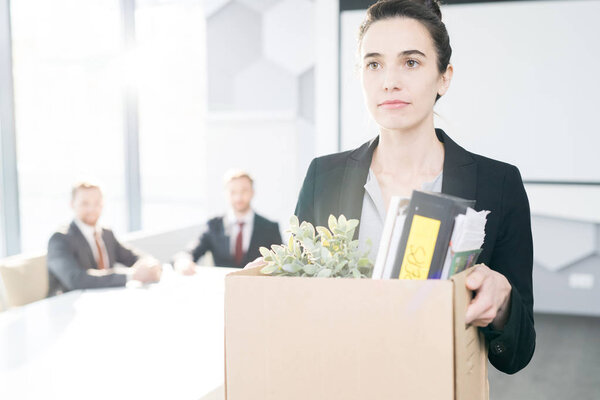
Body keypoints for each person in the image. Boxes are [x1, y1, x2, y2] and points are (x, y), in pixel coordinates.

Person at [290, 0, 535, 375]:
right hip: (341, 382)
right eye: (374, 64)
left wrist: (502, 304)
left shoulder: (498, 184)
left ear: (444, 77)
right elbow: (295, 309)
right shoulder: (324, 176)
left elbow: (517, 353)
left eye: (411, 62)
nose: (390, 80)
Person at [47, 182, 162, 294]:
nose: (92, 209)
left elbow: (133, 256)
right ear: (72, 204)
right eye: (85, 203)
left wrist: (150, 265)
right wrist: (131, 275)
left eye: (97, 203)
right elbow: (76, 279)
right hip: (65, 306)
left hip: (104, 300)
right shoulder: (59, 239)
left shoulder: (106, 233)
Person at [174, 170, 282, 272]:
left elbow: (283, 260)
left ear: (252, 192)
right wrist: (183, 261)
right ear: (225, 194)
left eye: (244, 191)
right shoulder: (213, 225)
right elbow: (189, 252)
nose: (238, 197)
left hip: (257, 288)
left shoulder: (270, 228)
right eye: (233, 192)